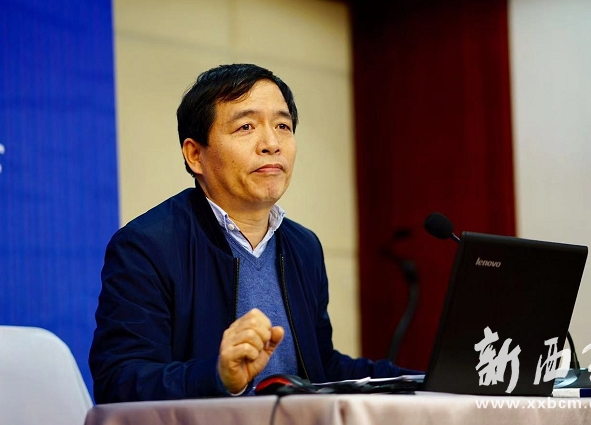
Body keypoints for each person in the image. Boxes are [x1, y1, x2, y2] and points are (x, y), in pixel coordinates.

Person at [89, 63, 417, 403]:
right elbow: (119, 381)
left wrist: (427, 378)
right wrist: (218, 376)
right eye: (246, 126)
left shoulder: (304, 247)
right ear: (195, 155)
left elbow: (321, 367)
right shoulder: (147, 246)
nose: (271, 143)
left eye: (282, 126)